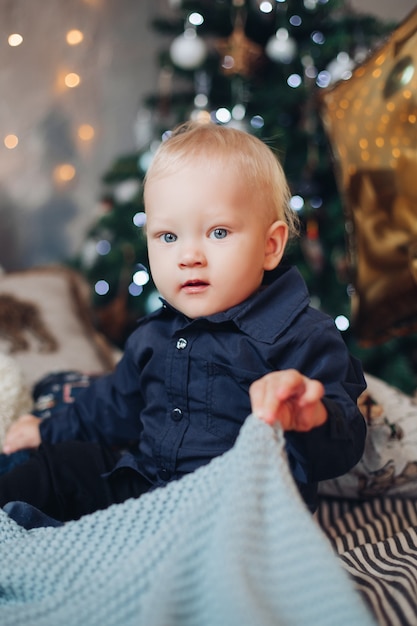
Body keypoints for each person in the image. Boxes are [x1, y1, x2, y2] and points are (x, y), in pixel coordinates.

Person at [0, 121, 366, 522]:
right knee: (58, 466)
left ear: (270, 245)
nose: (188, 256)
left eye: (218, 231)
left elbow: (345, 442)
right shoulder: (154, 335)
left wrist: (310, 418)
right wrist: (48, 430)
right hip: (149, 489)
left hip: (239, 515)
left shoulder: (303, 337)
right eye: (168, 237)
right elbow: (113, 403)